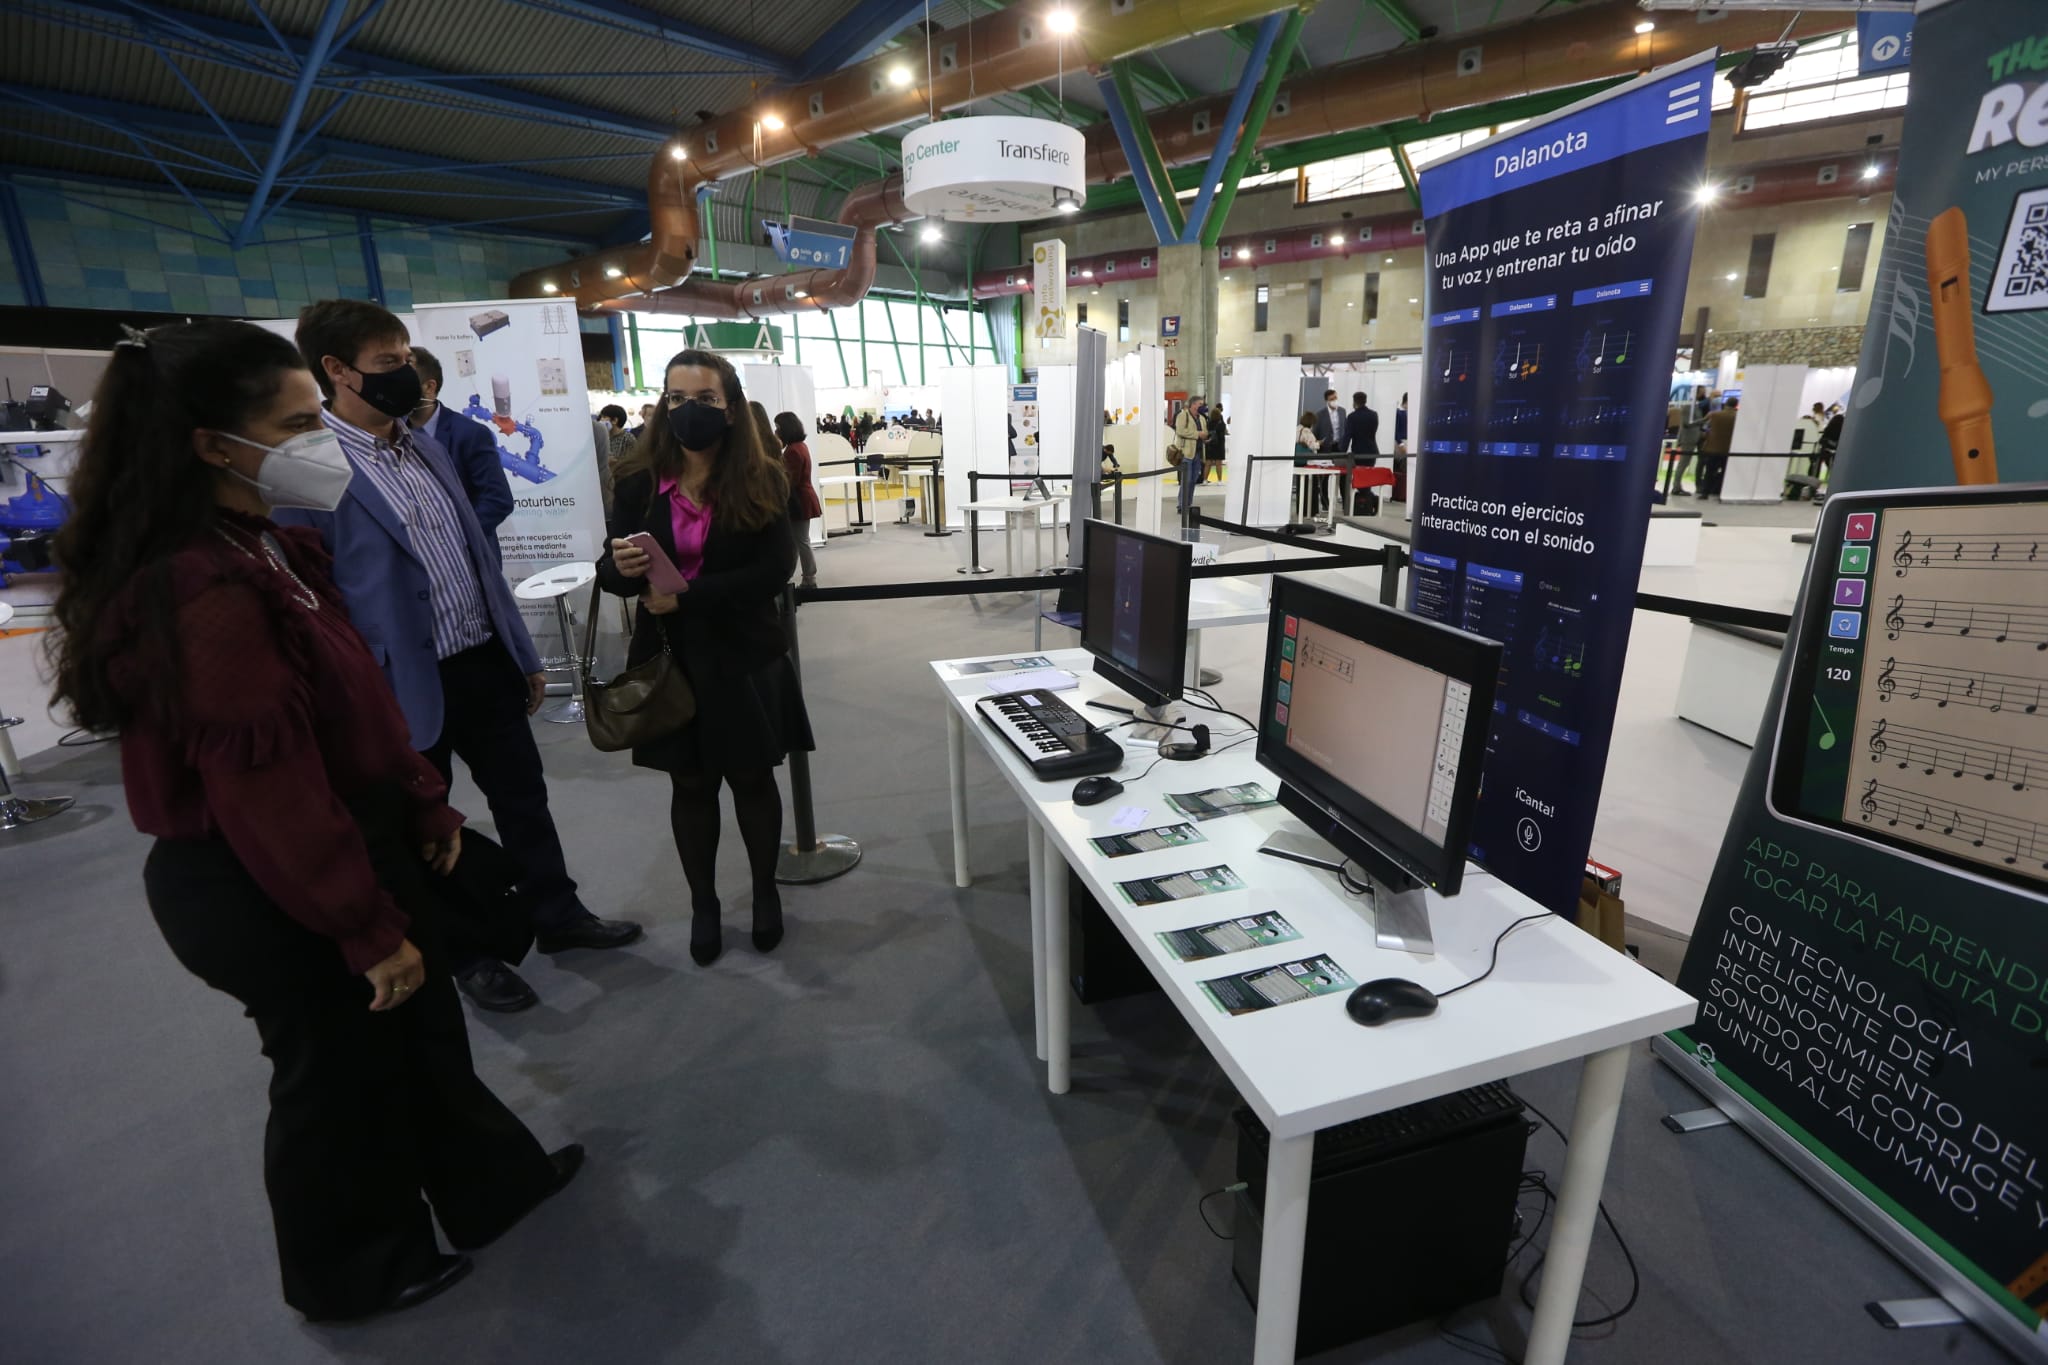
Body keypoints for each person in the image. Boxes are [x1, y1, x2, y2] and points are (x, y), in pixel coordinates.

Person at [47, 319, 578, 1323]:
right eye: (295, 424)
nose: (321, 441)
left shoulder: (264, 546)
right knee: (336, 1081)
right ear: (211, 444)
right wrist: (361, 924)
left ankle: (488, 1186)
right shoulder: (197, 588)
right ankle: (352, 1271)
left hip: (350, 839)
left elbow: (353, 709)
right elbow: (267, 783)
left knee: (421, 1041)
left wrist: (422, 803)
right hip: (270, 878)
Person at [277, 300, 642, 1014]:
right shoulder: (308, 470)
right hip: (396, 684)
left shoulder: (427, 442)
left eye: (407, 358)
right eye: (389, 363)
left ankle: (557, 914)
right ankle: (468, 952)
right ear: (336, 370)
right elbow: (312, 596)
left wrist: (518, 647)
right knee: (427, 829)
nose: (407, 373)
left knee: (524, 799)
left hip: (481, 660)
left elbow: (476, 554)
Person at [597, 349, 814, 967]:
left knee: (751, 778)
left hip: (742, 657)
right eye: (676, 399)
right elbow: (610, 573)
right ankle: (704, 903)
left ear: (731, 405)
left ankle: (766, 892)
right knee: (690, 786)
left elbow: (776, 568)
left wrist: (687, 596)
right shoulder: (637, 481)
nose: (688, 411)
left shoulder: (762, 475)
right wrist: (621, 567)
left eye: (704, 400)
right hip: (670, 661)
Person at [407, 347, 512, 556]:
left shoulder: (470, 434)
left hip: (466, 556)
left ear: (429, 387)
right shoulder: (393, 435)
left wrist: (455, 540)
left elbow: (498, 499)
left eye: (405, 378)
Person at [775, 411, 821, 589]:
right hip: (802, 498)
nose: (776, 431)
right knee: (799, 540)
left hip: (798, 500)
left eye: (778, 427)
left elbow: (789, 480)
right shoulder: (800, 446)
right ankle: (801, 575)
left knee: (801, 541)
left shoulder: (793, 450)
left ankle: (809, 578)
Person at [1344, 391, 1381, 515]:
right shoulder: (1373, 415)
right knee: (1367, 479)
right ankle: (1369, 502)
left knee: (1359, 480)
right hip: (1371, 452)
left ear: (1354, 402)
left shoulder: (1352, 417)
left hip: (1359, 453)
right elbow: (1372, 432)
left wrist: (1341, 450)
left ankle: (1371, 501)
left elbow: (1348, 436)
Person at [1699, 395, 1739, 499]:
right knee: (1725, 472)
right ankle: (1720, 492)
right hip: (1728, 448)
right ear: (1736, 405)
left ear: (1725, 404)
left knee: (1709, 471)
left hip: (1713, 447)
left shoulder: (1714, 414)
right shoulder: (1737, 416)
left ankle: (1705, 493)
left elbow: (1703, 425)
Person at [1312, 387, 1347, 453]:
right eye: (1331, 399)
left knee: (1340, 463)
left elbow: (1345, 428)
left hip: (1340, 447)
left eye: (1335, 398)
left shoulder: (1342, 411)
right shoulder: (1320, 414)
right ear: (1327, 401)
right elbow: (1315, 432)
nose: (1334, 400)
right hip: (1325, 448)